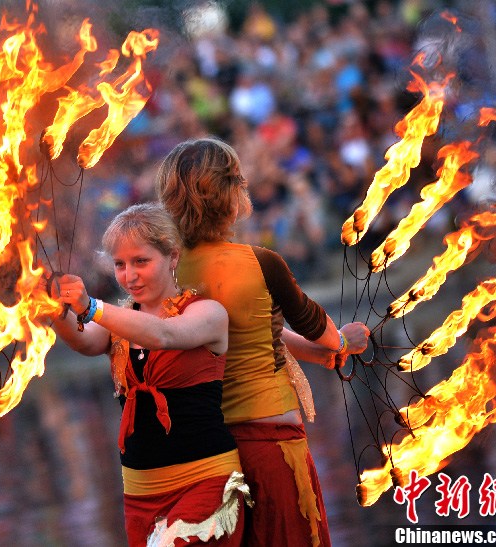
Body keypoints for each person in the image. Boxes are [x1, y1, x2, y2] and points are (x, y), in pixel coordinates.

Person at [155, 137, 370, 547]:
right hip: (271, 449)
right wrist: (342, 340)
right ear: (232, 195)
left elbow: (247, 330)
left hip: (206, 459)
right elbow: (314, 324)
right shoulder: (260, 262)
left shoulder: (168, 270)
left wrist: (319, 355)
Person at [51, 202, 250, 547]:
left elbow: (163, 335)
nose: (129, 275)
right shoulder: (119, 322)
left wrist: (91, 307)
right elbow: (85, 342)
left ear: (172, 257)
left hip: (206, 482)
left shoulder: (207, 312)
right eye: (120, 264)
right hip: (140, 495)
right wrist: (53, 307)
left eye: (141, 261)